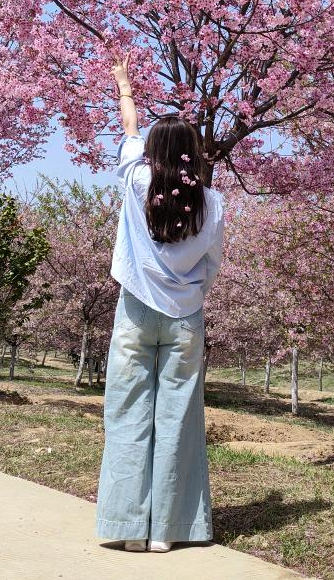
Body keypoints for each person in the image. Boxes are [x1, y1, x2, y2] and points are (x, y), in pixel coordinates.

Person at [95, 53, 225, 554]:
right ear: (194, 154)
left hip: (134, 311)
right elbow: (211, 265)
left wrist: (124, 83)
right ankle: (168, 532)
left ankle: (127, 527)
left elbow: (129, 125)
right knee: (178, 421)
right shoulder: (212, 203)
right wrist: (189, 295)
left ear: (152, 151)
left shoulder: (137, 180)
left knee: (127, 413)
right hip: (185, 317)